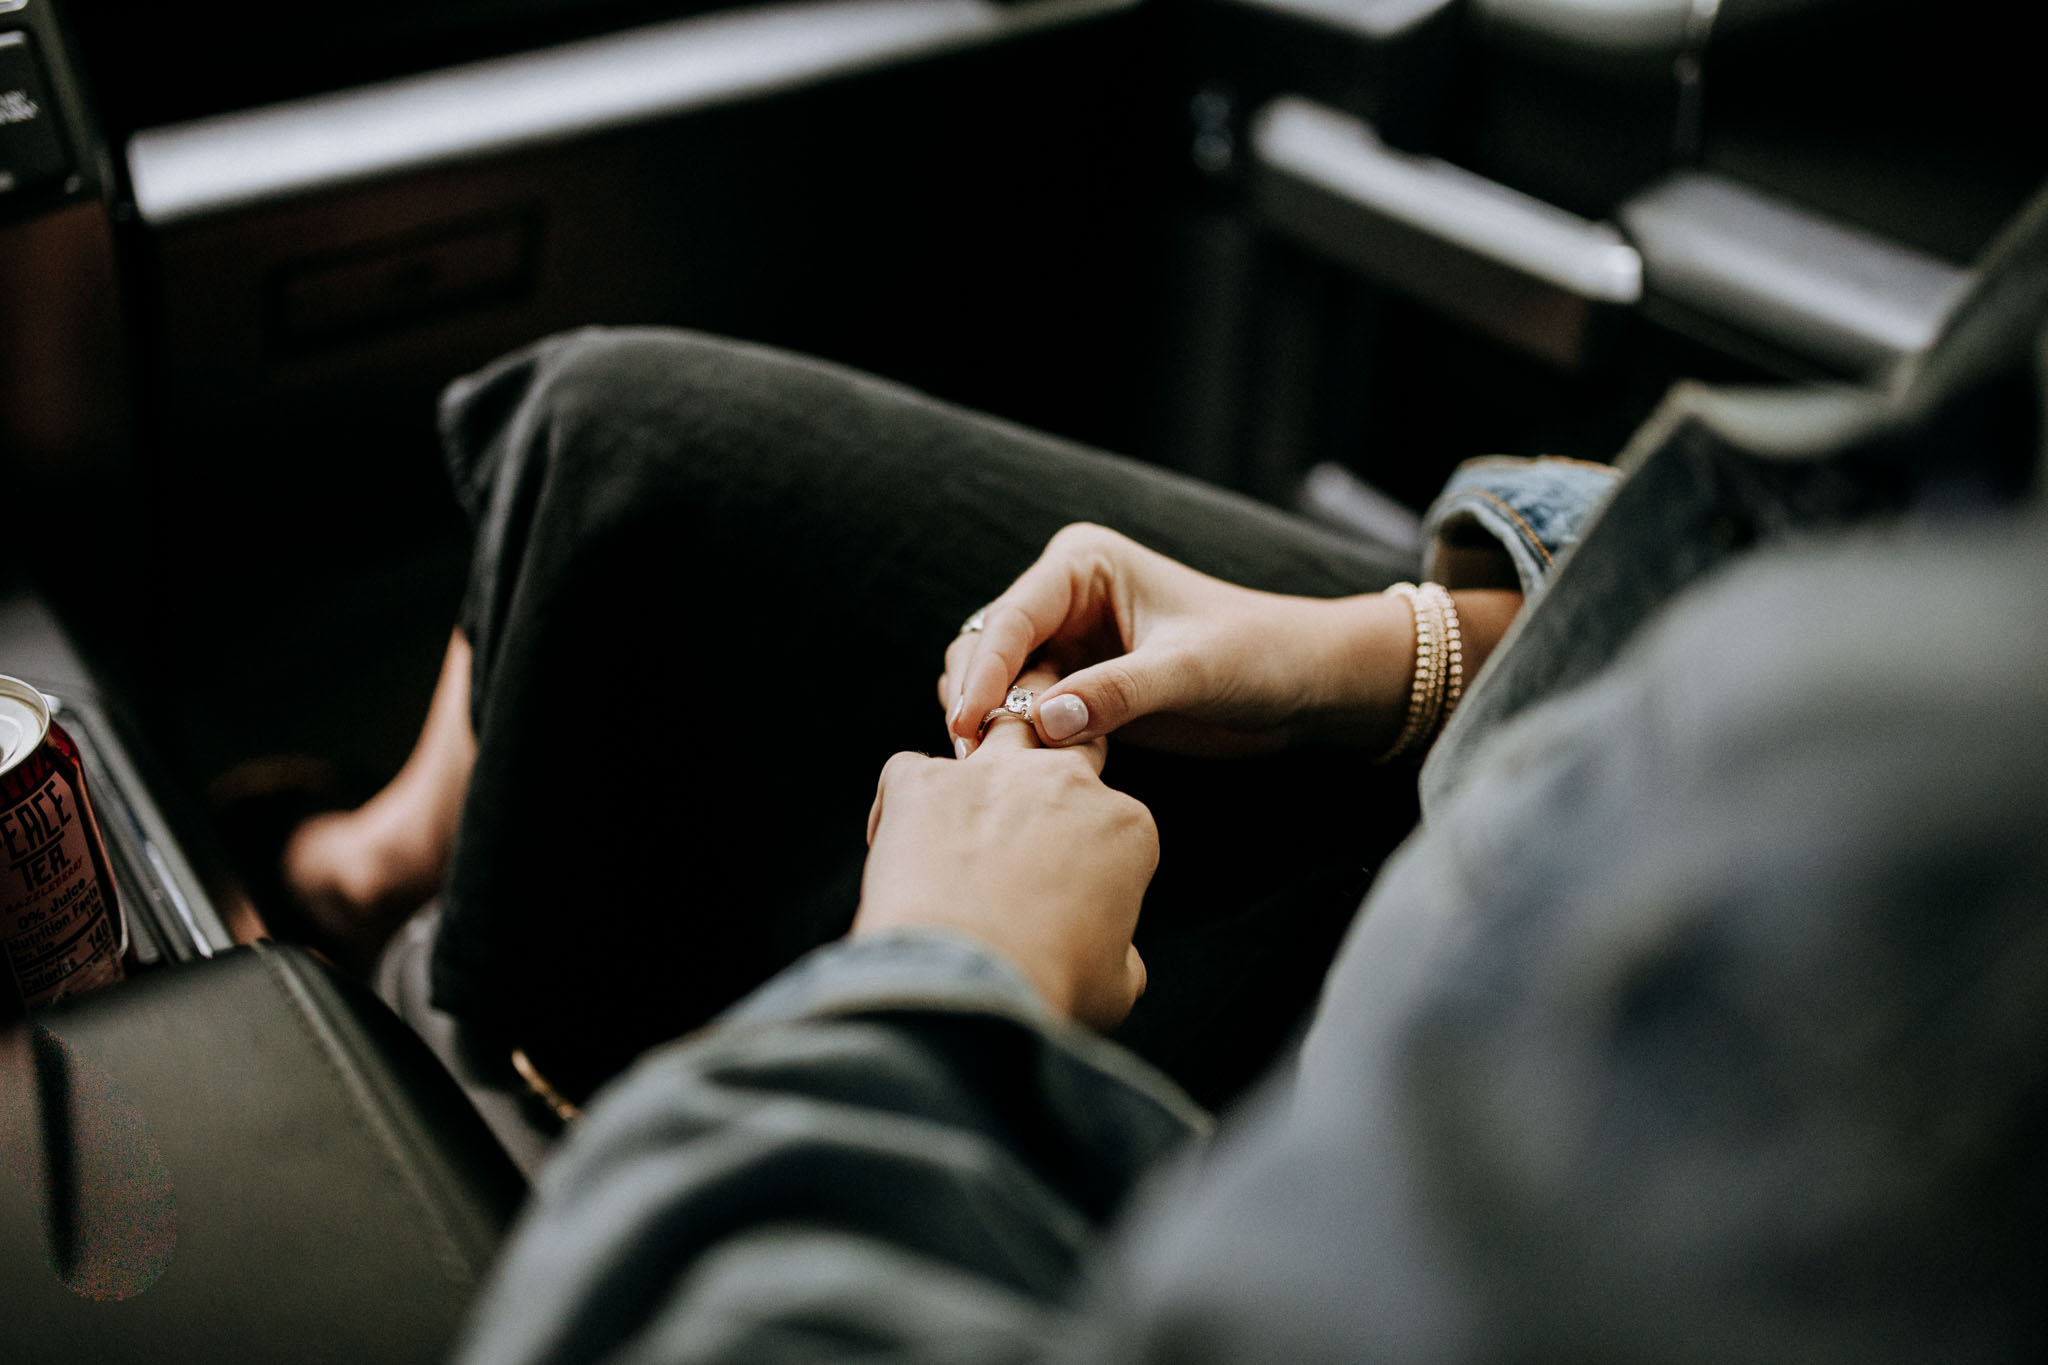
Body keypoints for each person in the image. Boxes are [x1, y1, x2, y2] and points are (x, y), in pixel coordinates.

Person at [276, 186, 2047, 1364]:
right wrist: (1403, 651)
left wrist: (950, 977)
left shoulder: (1940, 944)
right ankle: (376, 867)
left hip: (1421, 1033)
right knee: (614, 436)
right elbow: (1867, 506)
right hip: (1529, 767)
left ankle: (419, 973)